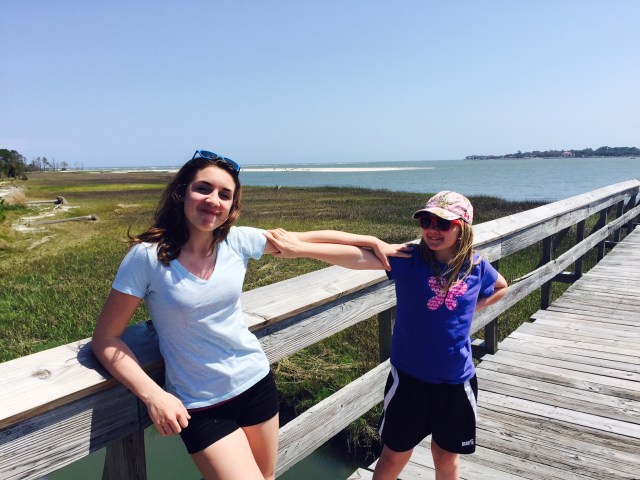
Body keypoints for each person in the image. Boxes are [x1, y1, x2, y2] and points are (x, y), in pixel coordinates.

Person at [91, 150, 405, 480]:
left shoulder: (236, 241)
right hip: (199, 404)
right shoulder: (148, 257)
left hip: (254, 382)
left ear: (233, 208)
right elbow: (106, 338)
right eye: (203, 188)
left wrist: (371, 241)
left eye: (225, 195)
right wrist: (154, 395)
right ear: (182, 192)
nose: (213, 200)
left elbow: (307, 239)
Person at [265, 191, 508, 480]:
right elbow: (354, 256)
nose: (432, 230)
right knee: (394, 455)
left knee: (446, 459)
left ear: (463, 228)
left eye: (444, 224)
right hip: (409, 381)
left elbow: (501, 286)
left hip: (457, 382)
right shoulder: (409, 259)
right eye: (427, 221)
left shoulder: (476, 265)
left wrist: (472, 310)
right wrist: (298, 243)